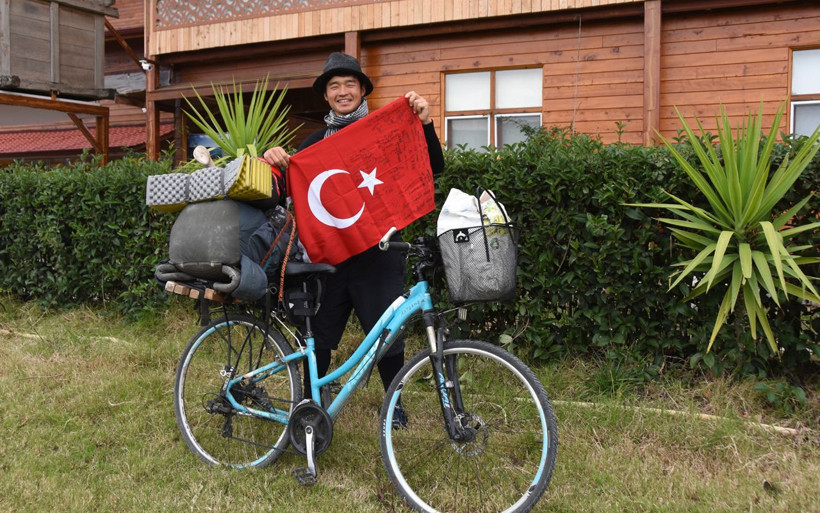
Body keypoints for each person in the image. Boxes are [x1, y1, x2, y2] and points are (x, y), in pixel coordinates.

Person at [263, 52, 445, 428]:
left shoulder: (385, 129)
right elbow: (291, 191)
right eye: (334, 86)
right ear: (326, 96)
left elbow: (433, 165)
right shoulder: (313, 143)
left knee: (388, 338)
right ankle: (314, 402)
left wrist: (424, 123)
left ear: (362, 90)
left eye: (350, 84)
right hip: (330, 257)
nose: (342, 91)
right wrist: (276, 161)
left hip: (379, 252)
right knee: (322, 335)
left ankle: (393, 403)